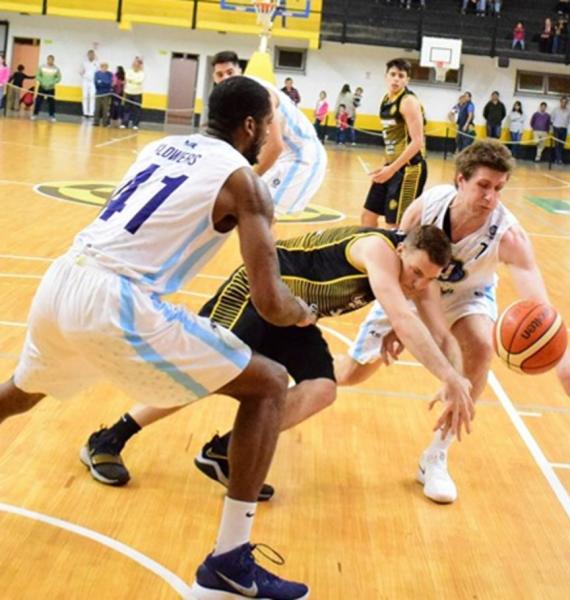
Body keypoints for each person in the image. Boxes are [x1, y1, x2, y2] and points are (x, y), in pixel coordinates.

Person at [0, 76, 317, 600]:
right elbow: (270, 302)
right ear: (250, 125)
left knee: (21, 390)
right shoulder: (245, 184)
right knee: (268, 384)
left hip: (63, 278)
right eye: (266, 125)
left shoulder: (162, 146)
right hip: (116, 301)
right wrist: (303, 312)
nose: (267, 136)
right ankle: (229, 562)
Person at [81, 224, 474, 495]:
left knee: (322, 388)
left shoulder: (416, 273)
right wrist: (446, 375)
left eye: (428, 279)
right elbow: (404, 318)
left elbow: (441, 333)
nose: (418, 284)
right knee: (202, 373)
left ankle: (227, 452)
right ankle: (110, 437)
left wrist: (457, 378)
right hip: (260, 291)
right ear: (402, 249)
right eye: (416, 272)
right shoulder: (378, 250)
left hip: (295, 316)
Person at [337, 140, 570, 504]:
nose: (491, 197)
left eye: (499, 188)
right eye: (483, 185)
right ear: (460, 180)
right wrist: (402, 321)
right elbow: (400, 260)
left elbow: (539, 307)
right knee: (351, 374)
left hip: (469, 297)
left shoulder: (508, 235)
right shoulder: (427, 206)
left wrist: (565, 366)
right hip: (416, 287)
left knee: (481, 346)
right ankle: (305, 373)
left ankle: (436, 455)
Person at [211, 51, 326, 215]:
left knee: (260, 212)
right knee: (244, 209)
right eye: (220, 74)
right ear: (214, 77)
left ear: (240, 71)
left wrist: (248, 179)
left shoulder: (260, 94)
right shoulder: (231, 100)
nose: (225, 79)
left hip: (301, 156)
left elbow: (275, 146)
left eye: (230, 72)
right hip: (280, 156)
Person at [361, 58, 427, 229]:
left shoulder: (408, 101)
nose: (396, 79)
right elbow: (391, 137)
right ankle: (370, 245)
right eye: (393, 74)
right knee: (368, 216)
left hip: (410, 169)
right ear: (386, 77)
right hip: (391, 166)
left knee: (395, 225)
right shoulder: (386, 100)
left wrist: (391, 169)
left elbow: (418, 142)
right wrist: (385, 166)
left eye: (401, 76)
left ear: (407, 80)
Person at [31, 55, 61, 122]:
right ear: (47, 60)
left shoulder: (56, 69)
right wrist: (41, 81)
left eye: (51, 60)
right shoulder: (42, 67)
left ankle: (52, 116)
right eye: (49, 59)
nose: (50, 61)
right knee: (38, 101)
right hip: (42, 87)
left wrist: (53, 82)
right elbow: (37, 75)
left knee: (51, 103)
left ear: (53, 60)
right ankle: (35, 114)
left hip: (51, 88)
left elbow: (59, 78)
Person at [121, 57, 144, 130]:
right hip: (128, 92)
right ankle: (124, 123)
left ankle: (135, 124)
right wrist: (133, 80)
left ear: (139, 66)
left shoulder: (142, 73)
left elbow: (139, 81)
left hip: (137, 93)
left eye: (137, 65)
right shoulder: (128, 71)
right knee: (126, 109)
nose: (135, 66)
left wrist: (131, 80)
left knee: (137, 110)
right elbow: (127, 78)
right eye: (134, 64)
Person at [550, 96, 570, 164]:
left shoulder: (569, 111)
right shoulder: (555, 110)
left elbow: (568, 121)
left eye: (565, 102)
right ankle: (559, 159)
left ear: (567, 103)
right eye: (562, 102)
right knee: (557, 144)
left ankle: (558, 159)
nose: (564, 103)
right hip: (556, 128)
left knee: (562, 145)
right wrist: (552, 128)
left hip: (564, 129)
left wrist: (564, 126)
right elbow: (552, 119)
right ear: (560, 102)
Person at [80, 49, 99, 119]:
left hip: (93, 82)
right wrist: (85, 76)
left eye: (92, 55)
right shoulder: (84, 63)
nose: (91, 56)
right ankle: (85, 112)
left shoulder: (97, 63)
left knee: (92, 96)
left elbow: (98, 72)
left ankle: (91, 113)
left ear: (94, 55)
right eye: (90, 55)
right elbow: (80, 71)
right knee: (85, 96)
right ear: (88, 55)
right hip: (85, 81)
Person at [93, 62, 113, 127]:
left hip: (106, 93)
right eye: (103, 67)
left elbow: (109, 83)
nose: (104, 68)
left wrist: (102, 82)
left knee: (105, 109)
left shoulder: (110, 74)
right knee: (97, 108)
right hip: (98, 93)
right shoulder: (97, 74)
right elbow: (96, 82)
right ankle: (96, 122)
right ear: (101, 67)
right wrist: (103, 83)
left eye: (106, 67)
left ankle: (105, 122)